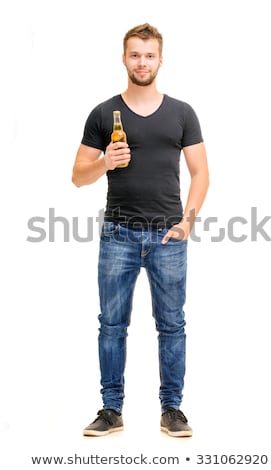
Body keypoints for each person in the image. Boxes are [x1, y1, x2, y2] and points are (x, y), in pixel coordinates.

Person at [72, 23, 209, 438]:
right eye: (135, 54)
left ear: (160, 60)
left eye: (149, 55)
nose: (142, 62)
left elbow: (201, 172)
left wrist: (187, 222)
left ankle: (172, 409)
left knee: (172, 325)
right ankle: (111, 410)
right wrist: (105, 163)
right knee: (111, 324)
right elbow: (78, 176)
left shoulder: (182, 113)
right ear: (124, 58)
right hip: (118, 234)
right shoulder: (103, 113)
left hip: (168, 236)